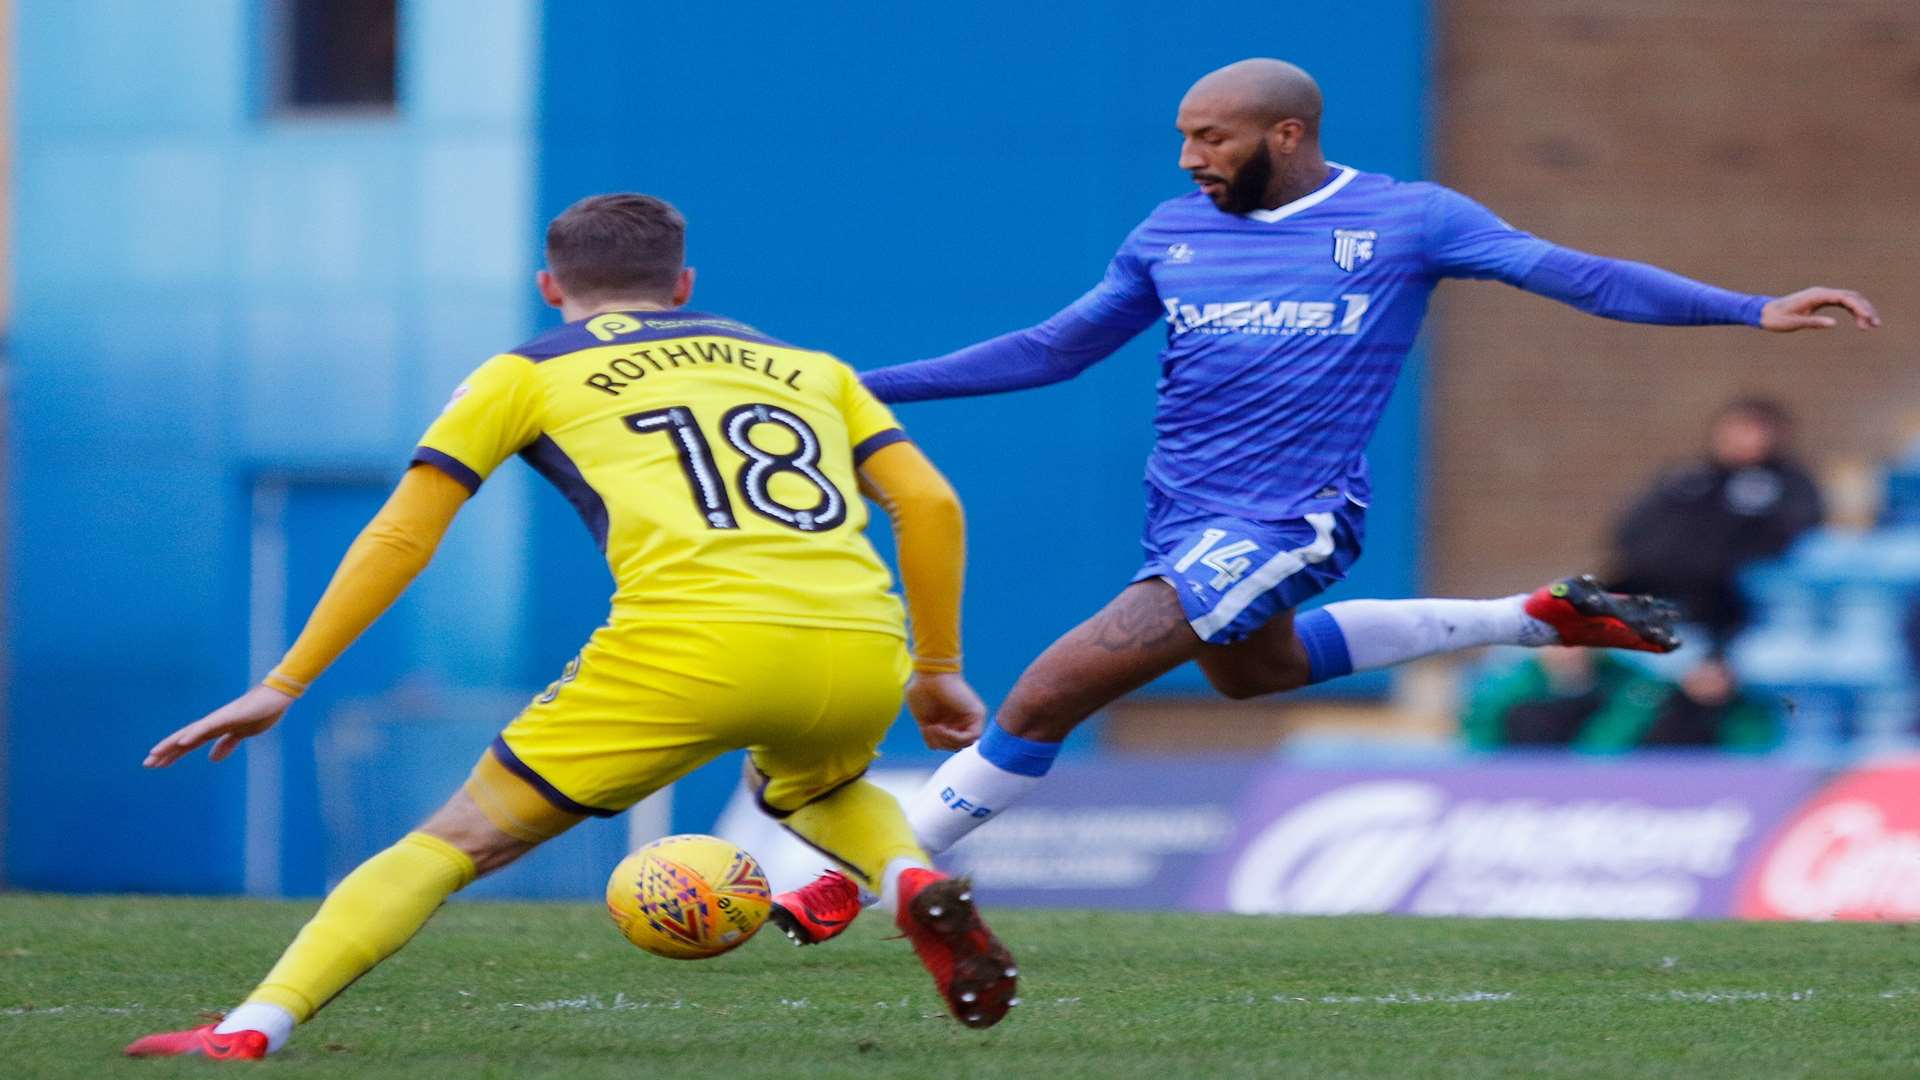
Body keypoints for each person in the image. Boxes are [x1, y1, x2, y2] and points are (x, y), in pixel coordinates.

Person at [768, 58, 1879, 943]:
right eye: (1184, 138)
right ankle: (1527, 617)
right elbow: (1054, 349)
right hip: (1184, 520)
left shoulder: (1407, 220)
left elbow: (1575, 273)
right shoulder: (1170, 234)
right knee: (1258, 674)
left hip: (1287, 519)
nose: (1192, 156)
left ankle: (866, 880)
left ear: (1285, 135)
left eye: (1213, 137)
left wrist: (1751, 308)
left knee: (1052, 689)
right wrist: (860, 385)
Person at [127, 194, 1019, 1060]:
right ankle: (910, 878)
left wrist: (284, 683)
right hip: (857, 640)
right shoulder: (813, 367)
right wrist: (937, 667)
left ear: (550, 286)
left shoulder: (525, 370)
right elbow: (930, 503)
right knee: (815, 790)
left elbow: (402, 532)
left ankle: (251, 1027)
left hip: (687, 644)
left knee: (452, 841)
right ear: (683, 284)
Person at [1609, 398, 1824, 648]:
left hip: (1730, 598)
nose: (1738, 438)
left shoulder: (1788, 484)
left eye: (1750, 430)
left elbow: (1788, 533)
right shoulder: (1689, 479)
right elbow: (1632, 532)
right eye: (1733, 429)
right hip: (1661, 583)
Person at [1462, 649, 1776, 752]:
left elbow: (1754, 749)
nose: (1571, 650)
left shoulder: (1629, 681)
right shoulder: (1512, 688)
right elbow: (1481, 738)